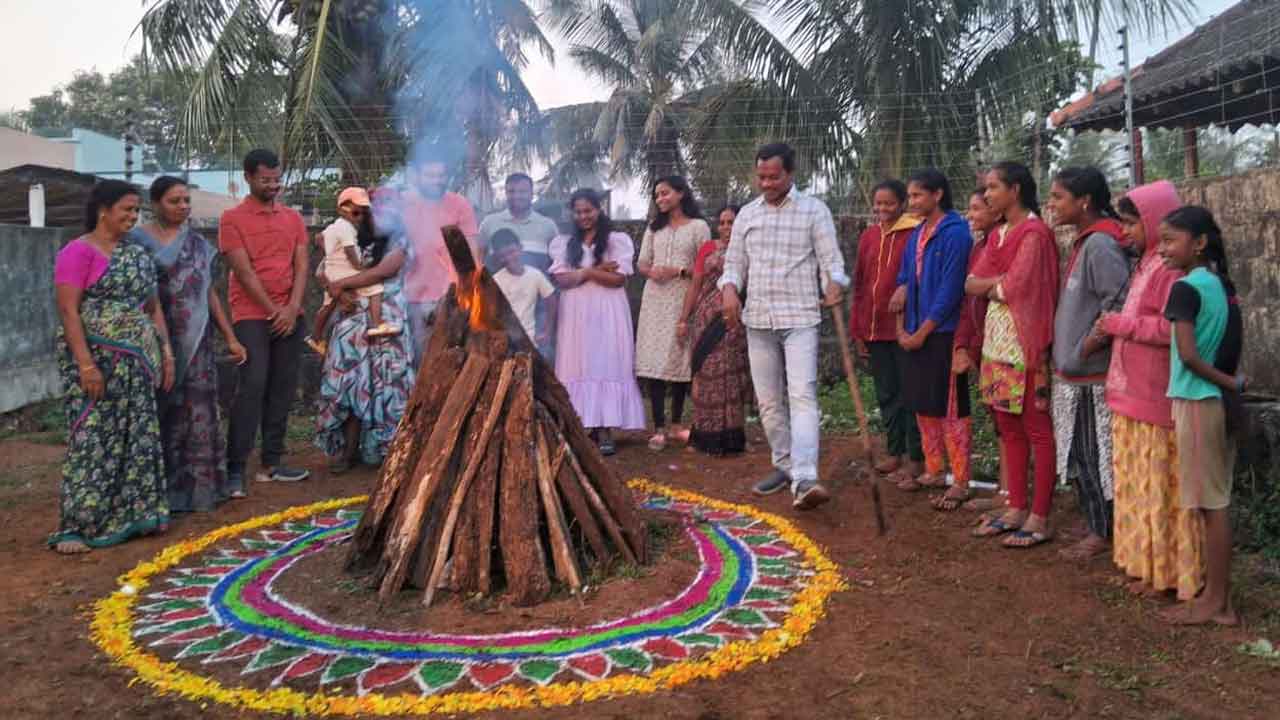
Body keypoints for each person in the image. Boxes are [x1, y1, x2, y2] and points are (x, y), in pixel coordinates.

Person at [720, 143, 848, 510]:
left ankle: (806, 476)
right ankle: (785, 465)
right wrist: (729, 289)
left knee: (803, 394)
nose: (767, 183)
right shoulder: (747, 214)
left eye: (774, 177)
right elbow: (734, 264)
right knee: (769, 402)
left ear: (790, 174)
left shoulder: (814, 210)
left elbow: (831, 262)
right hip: (757, 319)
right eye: (761, 176)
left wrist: (835, 283)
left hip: (800, 318)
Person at [49, 181, 174, 553]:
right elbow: (70, 311)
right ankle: (78, 524)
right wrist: (87, 365)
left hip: (137, 366)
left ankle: (135, 515)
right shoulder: (77, 252)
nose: (133, 217)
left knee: (136, 435)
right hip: (96, 364)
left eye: (137, 211)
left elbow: (153, 309)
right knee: (92, 437)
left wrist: (166, 354)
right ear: (104, 209)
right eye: (127, 210)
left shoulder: (136, 255)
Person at [1094, 181, 1203, 600]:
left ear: (1156, 222)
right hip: (1130, 391)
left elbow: (1170, 329)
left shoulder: (1170, 271)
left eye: (1132, 224)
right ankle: (1142, 565)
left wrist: (1120, 325)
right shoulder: (1144, 264)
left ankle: (1170, 572)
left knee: (1159, 488)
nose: (1126, 233)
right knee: (1137, 486)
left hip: (1154, 393)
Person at [130, 176, 246, 512]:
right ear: (155, 203)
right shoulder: (135, 242)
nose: (182, 207)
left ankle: (200, 491)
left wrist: (230, 336)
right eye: (174, 201)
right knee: (161, 410)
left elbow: (208, 293)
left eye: (186, 201)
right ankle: (159, 495)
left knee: (197, 410)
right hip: (152, 339)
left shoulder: (196, 243)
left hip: (197, 343)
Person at [1157, 206, 1245, 627]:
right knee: (1216, 500)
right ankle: (1218, 599)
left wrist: (1230, 383)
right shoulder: (1217, 284)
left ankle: (1216, 602)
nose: (1162, 250)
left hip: (1198, 401)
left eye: (1171, 240)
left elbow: (1189, 357)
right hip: (1216, 401)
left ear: (1199, 243)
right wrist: (1229, 384)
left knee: (1212, 505)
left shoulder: (1186, 289)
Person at [968, 161, 1060, 548]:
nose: (987, 195)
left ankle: (1039, 515)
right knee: (1008, 429)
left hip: (1027, 348)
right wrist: (996, 285)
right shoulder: (1000, 234)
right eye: (986, 189)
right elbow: (972, 282)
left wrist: (994, 286)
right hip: (996, 345)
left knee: (1036, 431)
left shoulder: (1035, 234)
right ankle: (1016, 507)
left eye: (992, 187)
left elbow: (1016, 289)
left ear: (1015, 189)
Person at [1046, 167, 1130, 560]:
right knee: (1082, 452)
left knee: (1093, 455)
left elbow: (1117, 301)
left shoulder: (1101, 245)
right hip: (1077, 371)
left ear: (1084, 202)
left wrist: (1086, 346)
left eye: (1058, 197)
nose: (1051, 204)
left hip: (1091, 375)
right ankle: (1097, 523)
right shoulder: (1087, 242)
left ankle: (1102, 531)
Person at [219, 149, 311, 491]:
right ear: (248, 177)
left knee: (282, 389)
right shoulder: (232, 219)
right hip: (251, 315)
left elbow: (302, 265)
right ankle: (235, 469)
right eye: (265, 180)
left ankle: (272, 462)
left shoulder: (293, 218)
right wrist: (275, 312)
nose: (273, 185)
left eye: (276, 179)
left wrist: (292, 309)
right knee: (252, 387)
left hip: (291, 313)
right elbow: (243, 272)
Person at [886, 169, 974, 511]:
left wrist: (922, 331)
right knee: (924, 403)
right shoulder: (918, 233)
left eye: (917, 196)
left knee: (951, 405)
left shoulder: (955, 234)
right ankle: (935, 470)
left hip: (943, 332)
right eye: (910, 196)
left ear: (937, 195)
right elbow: (908, 274)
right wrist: (903, 287)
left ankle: (962, 479)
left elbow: (951, 289)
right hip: (917, 329)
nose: (912, 202)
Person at [315, 187, 416, 472]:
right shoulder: (352, 238)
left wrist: (344, 284)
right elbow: (323, 271)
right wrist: (339, 291)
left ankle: (384, 450)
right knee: (349, 381)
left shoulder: (402, 240)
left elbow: (383, 271)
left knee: (386, 384)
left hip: (387, 321)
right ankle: (347, 452)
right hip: (351, 320)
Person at [549, 189, 646, 455]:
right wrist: (595, 271)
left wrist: (583, 272)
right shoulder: (564, 242)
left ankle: (605, 429)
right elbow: (562, 280)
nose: (583, 217)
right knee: (577, 363)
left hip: (608, 310)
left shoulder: (617, 240)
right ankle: (582, 428)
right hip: (575, 311)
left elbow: (618, 279)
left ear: (599, 209)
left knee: (606, 361)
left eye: (588, 211)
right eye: (578, 212)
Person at [851, 180, 923, 480]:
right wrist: (858, 329)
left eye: (889, 203)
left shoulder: (914, 233)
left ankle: (915, 456)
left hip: (902, 328)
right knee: (886, 393)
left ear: (901, 204)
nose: (882, 209)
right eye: (878, 204)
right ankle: (894, 452)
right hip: (872, 328)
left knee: (909, 394)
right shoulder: (868, 236)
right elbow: (859, 283)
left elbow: (917, 278)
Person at [636, 176, 709, 450]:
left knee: (678, 359)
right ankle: (658, 428)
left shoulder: (699, 227)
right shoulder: (654, 229)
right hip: (654, 298)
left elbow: (706, 266)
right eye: (657, 196)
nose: (661, 199)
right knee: (654, 360)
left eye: (665, 193)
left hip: (683, 297)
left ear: (681, 193)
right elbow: (642, 263)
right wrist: (651, 271)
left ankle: (677, 424)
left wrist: (677, 271)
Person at [679, 204, 750, 455]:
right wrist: (683, 319)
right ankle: (703, 437)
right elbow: (695, 285)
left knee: (730, 377)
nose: (726, 227)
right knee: (705, 375)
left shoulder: (748, 249)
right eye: (722, 222)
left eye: (731, 222)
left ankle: (731, 439)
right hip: (704, 322)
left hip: (732, 323)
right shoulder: (708, 248)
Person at [401, 144, 480, 364]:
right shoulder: (403, 203)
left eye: (441, 175)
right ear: (417, 175)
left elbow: (472, 251)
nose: (437, 180)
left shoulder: (459, 204)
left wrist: (472, 292)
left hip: (452, 296)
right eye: (430, 175)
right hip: (413, 297)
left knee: (453, 358)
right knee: (419, 360)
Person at [956, 188, 1007, 513]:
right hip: (982, 343)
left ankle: (1008, 492)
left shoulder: (1002, 244)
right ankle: (1006, 488)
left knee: (1007, 420)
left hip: (1002, 343)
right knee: (997, 415)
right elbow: (969, 300)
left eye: (977, 208)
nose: (971, 215)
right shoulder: (979, 247)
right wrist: (963, 344)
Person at [309, 187, 399, 355]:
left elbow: (380, 273)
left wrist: (341, 286)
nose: (382, 216)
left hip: (387, 339)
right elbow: (321, 272)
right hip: (349, 334)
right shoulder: (348, 236)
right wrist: (339, 293)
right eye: (375, 211)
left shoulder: (400, 243)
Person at [479, 172, 560, 272]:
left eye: (522, 192)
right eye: (511, 191)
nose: (516, 196)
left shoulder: (548, 226)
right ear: (506, 193)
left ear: (531, 194)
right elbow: (478, 261)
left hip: (539, 286)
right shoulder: (489, 223)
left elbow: (558, 263)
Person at [491, 228, 558, 348]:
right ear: (497, 257)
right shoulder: (496, 280)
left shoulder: (535, 274)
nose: (508, 258)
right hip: (504, 342)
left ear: (520, 248)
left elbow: (551, 298)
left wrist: (547, 331)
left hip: (530, 340)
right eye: (503, 255)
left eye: (512, 252)